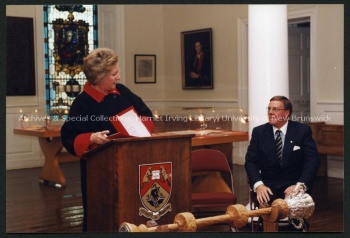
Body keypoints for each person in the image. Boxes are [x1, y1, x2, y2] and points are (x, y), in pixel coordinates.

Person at [61, 48, 154, 231]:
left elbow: (146, 114)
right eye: (114, 74)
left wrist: (139, 128)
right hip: (100, 172)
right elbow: (68, 136)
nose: (118, 77)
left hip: (133, 163)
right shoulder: (82, 103)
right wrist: (91, 137)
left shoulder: (122, 92)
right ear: (98, 77)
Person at [245, 96, 320, 229]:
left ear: (286, 113)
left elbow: (312, 161)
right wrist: (258, 185)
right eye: (269, 109)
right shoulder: (259, 132)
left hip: (293, 185)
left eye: (275, 109)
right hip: (268, 187)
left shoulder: (302, 131)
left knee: (292, 224)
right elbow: (250, 162)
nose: (270, 112)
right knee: (267, 213)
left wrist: (299, 186)